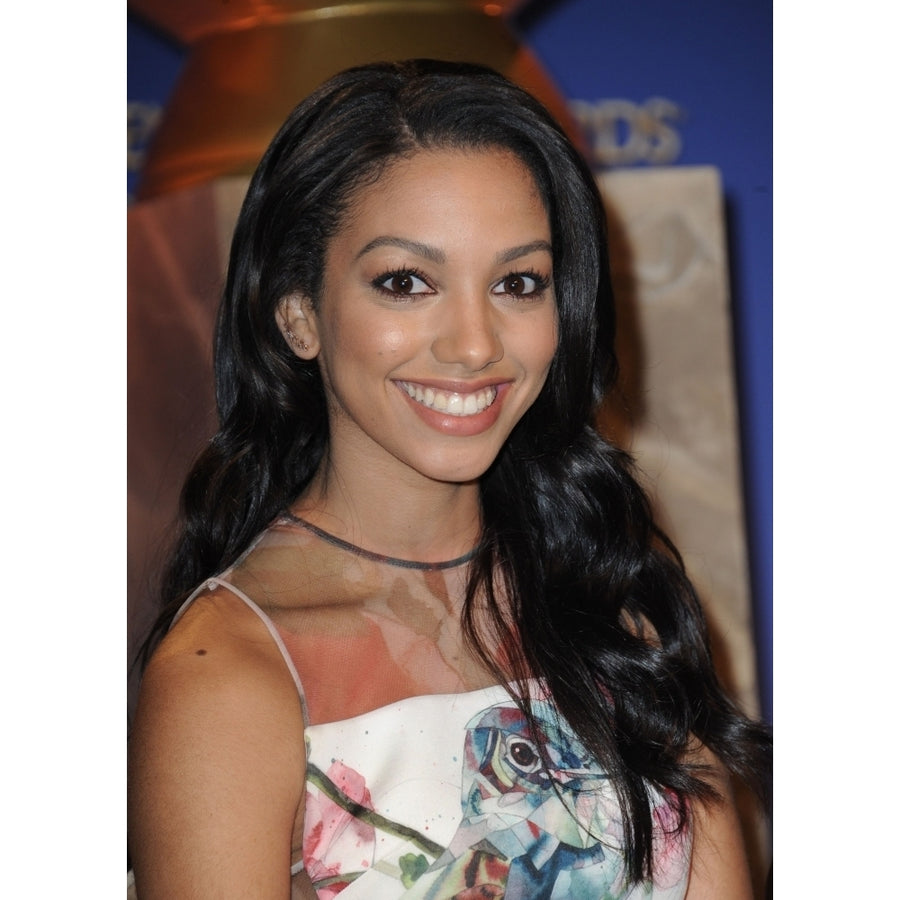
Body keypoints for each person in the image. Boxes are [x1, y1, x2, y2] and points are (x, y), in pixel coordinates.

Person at [128, 59, 771, 899]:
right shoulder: (229, 674)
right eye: (406, 282)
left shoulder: (611, 608)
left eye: (517, 283)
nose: (474, 344)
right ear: (297, 314)